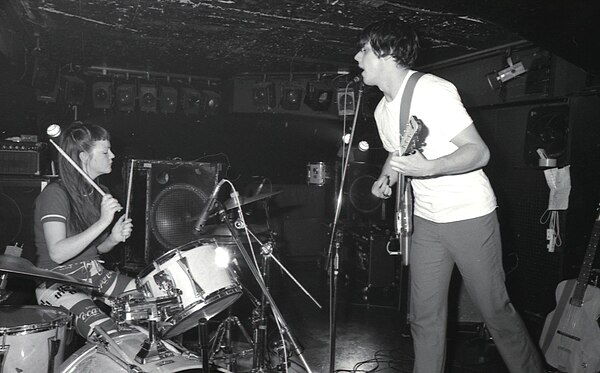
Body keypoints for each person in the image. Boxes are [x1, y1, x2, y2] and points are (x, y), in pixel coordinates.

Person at [355, 19, 546, 373]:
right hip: (427, 222)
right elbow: (398, 151)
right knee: (423, 318)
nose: (357, 57)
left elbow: (478, 152)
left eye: (364, 50)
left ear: (387, 53)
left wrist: (430, 168)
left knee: (495, 313)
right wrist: (385, 178)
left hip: (469, 215)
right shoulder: (382, 110)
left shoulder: (433, 91)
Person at [34, 121, 136, 340]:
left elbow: (95, 249)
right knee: (111, 337)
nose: (113, 155)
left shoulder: (99, 193)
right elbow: (58, 253)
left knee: (151, 299)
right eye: (105, 151)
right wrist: (103, 221)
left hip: (93, 273)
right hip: (58, 280)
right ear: (83, 156)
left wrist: (114, 239)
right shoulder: (55, 194)